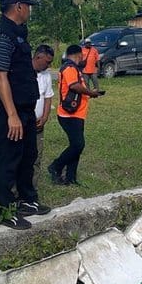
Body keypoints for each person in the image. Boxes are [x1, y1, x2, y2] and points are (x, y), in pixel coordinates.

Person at [0, 0, 51, 229]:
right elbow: (0, 76)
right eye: (28, 6)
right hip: (9, 111)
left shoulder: (18, 33)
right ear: (18, 6)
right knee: (9, 158)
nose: (29, 11)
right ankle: (4, 210)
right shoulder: (2, 36)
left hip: (24, 108)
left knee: (28, 155)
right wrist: (12, 115)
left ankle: (27, 200)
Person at [48, 45, 103, 185]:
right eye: (82, 56)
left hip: (78, 114)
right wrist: (90, 92)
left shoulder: (74, 68)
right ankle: (56, 166)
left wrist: (91, 93)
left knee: (76, 145)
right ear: (79, 55)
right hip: (69, 115)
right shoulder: (70, 68)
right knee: (78, 145)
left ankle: (71, 178)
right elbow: (74, 86)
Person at [31, 44, 55, 189]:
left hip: (39, 124)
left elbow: (48, 97)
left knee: (36, 158)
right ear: (38, 57)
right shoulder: (24, 71)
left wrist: (45, 117)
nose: (49, 65)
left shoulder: (46, 76)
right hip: (23, 123)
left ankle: (32, 189)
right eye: (47, 62)